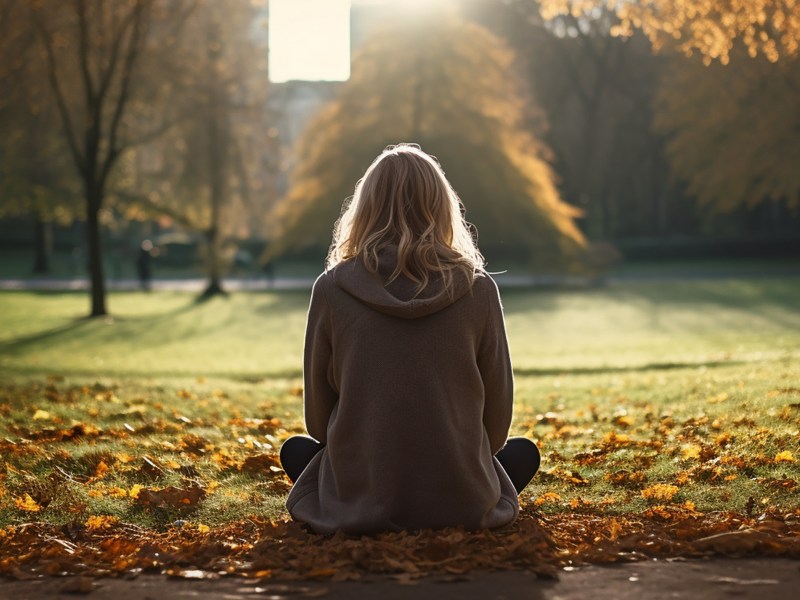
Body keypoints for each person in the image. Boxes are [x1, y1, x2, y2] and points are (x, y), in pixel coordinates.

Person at [279, 144, 540, 535]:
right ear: (440, 207)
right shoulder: (478, 289)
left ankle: (368, 505)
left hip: (364, 494)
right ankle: (447, 499)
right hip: (460, 498)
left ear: (364, 208)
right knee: (521, 453)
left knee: (298, 450)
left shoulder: (332, 290)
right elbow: (497, 423)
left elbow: (318, 422)